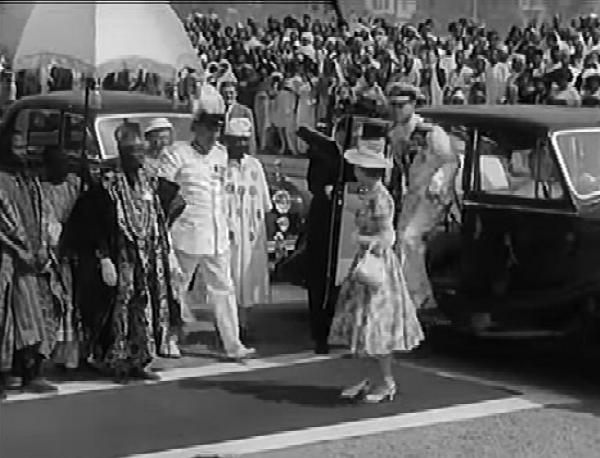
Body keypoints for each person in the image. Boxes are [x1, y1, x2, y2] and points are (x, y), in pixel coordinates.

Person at [69, 122, 182, 382]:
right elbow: (92, 223)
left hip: (147, 258)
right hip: (120, 257)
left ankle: (139, 360)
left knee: (143, 307)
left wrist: (166, 250)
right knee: (117, 308)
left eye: (142, 153)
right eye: (134, 153)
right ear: (123, 153)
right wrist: (104, 257)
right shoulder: (107, 185)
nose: (139, 158)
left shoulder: (149, 182)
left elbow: (169, 206)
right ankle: (115, 361)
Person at [156, 91, 255, 360]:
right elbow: (162, 192)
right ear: (195, 128)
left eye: (216, 130)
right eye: (207, 129)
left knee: (224, 289)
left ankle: (232, 343)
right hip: (186, 233)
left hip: (216, 234)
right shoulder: (178, 155)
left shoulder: (221, 155)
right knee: (177, 288)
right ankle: (169, 338)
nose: (212, 135)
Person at [328, 137, 424, 403]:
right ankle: (369, 378)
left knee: (376, 326)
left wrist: (361, 240)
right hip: (366, 264)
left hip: (377, 267)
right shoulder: (369, 192)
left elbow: (388, 236)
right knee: (362, 327)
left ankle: (385, 381)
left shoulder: (380, 197)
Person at [387, 83, 459, 317]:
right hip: (412, 193)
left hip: (433, 195)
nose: (397, 110)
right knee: (400, 240)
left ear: (413, 105)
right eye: (393, 105)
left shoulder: (429, 132)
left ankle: (421, 296)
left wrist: (438, 182)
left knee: (410, 238)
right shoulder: (396, 132)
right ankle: (407, 292)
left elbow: (450, 161)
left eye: (402, 105)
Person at [222, 117, 272, 341]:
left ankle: (243, 321)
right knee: (228, 276)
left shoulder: (254, 166)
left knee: (248, 275)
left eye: (244, 140)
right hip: (228, 229)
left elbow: (265, 202)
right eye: (236, 141)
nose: (240, 145)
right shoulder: (220, 164)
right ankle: (226, 324)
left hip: (251, 230)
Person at [221, 81, 257, 156]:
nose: (228, 95)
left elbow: (251, 137)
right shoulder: (218, 111)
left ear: (236, 93)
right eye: (225, 93)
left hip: (237, 152)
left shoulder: (244, 111)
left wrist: (251, 156)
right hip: (221, 152)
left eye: (231, 92)